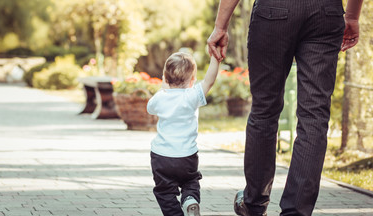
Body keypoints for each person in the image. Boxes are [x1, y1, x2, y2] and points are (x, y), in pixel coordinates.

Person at [207, 0, 363, 215]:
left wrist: (220, 27)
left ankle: (253, 204)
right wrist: (353, 16)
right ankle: (296, 211)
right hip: (325, 12)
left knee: (264, 110)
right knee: (314, 116)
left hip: (274, 11)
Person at [147, 51, 221, 216]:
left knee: (164, 192)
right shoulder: (192, 95)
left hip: (162, 156)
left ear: (165, 78)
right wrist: (215, 59)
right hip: (187, 156)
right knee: (190, 181)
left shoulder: (160, 97)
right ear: (192, 80)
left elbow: (150, 108)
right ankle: (190, 199)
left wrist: (162, 88)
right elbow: (209, 81)